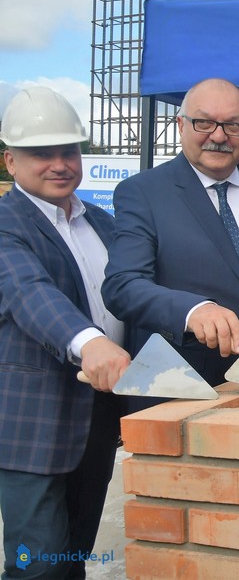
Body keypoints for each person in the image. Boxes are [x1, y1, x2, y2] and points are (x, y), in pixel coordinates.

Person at [102, 78, 239, 388]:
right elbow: (123, 286)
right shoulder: (143, 193)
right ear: (180, 125)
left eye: (233, 125)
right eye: (204, 122)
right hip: (181, 386)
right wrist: (193, 310)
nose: (218, 136)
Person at [0, 87, 130, 578]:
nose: (59, 164)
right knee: (37, 568)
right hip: (31, 430)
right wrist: (89, 341)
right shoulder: (6, 223)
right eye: (41, 154)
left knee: (71, 558)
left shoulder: (104, 224)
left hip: (97, 422)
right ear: (11, 160)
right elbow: (29, 292)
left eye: (69, 151)